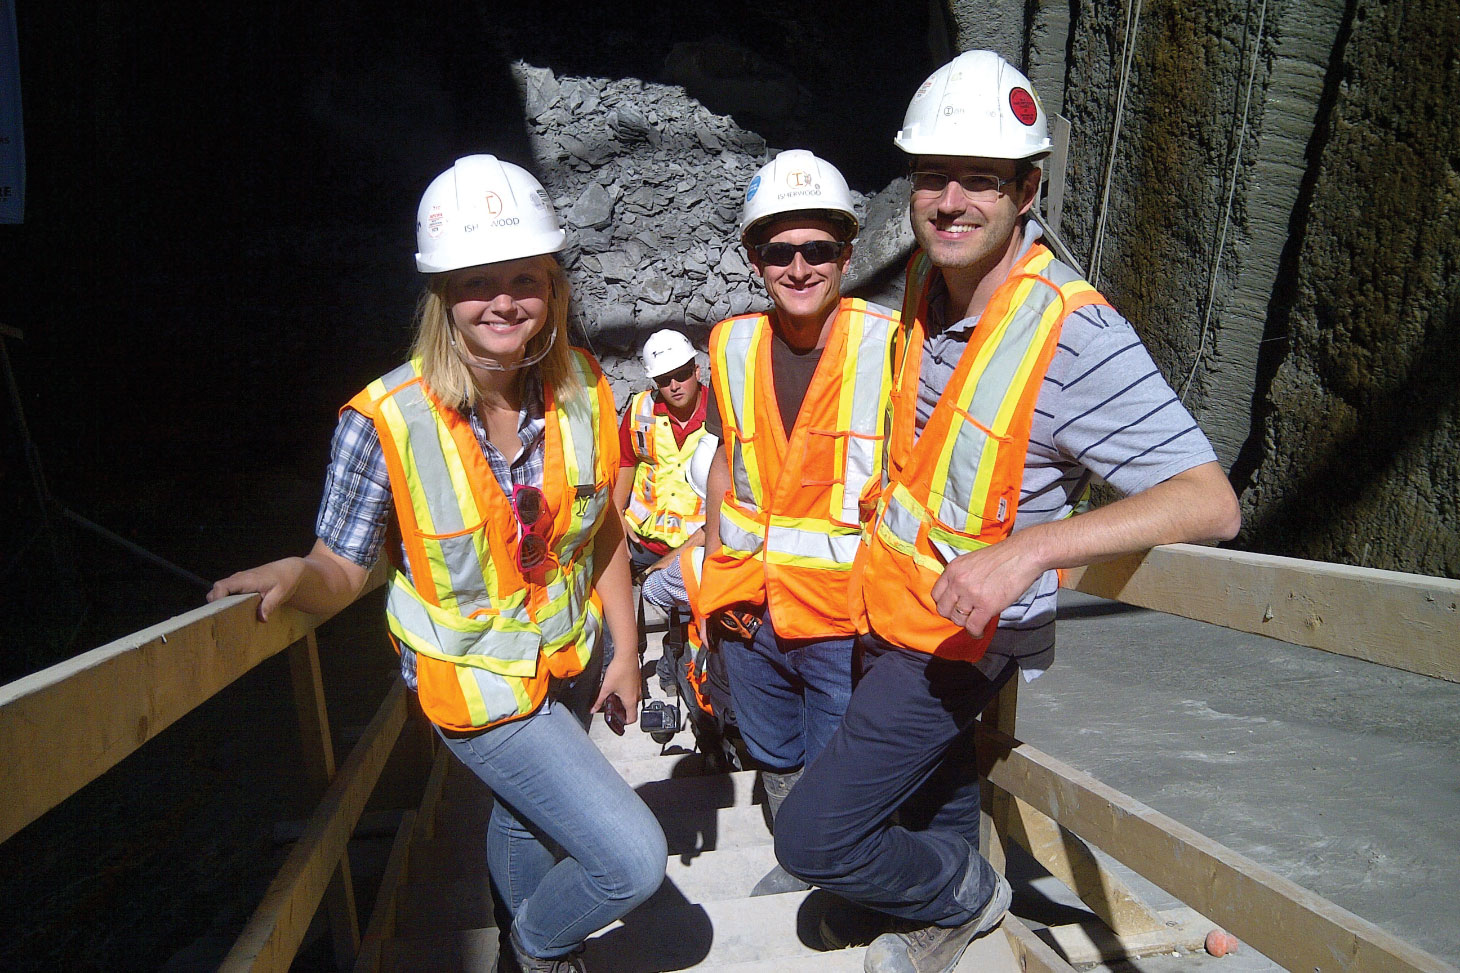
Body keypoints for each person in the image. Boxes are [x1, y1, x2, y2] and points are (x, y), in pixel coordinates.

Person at [772, 52, 1243, 973]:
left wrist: (1032, 550)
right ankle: (937, 913)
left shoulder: (1076, 332)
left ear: (1027, 191)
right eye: (933, 177)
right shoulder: (927, 285)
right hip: (897, 605)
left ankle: (963, 894)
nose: (951, 201)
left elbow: (1209, 502)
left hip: (966, 634)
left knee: (812, 838)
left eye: (981, 180)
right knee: (935, 786)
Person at [208, 155, 666, 973]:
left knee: (527, 817)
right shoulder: (385, 418)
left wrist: (627, 651)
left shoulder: (584, 388)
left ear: (552, 288)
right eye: (475, 280)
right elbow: (341, 568)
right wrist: (297, 575)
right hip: (472, 681)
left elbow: (600, 533)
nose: (503, 300)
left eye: (523, 276)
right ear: (441, 294)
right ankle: (535, 946)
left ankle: (517, 946)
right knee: (630, 859)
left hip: (563, 655)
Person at [697, 149, 898, 895]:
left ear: (847, 252)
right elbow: (728, 463)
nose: (800, 266)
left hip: (843, 617)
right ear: (756, 259)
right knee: (774, 754)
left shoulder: (889, 344)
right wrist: (717, 572)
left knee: (838, 760)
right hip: (749, 613)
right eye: (779, 251)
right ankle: (799, 864)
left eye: (818, 249)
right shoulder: (731, 344)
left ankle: (838, 880)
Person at [613, 329, 708, 689]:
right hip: (642, 534)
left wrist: (675, 557)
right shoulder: (641, 410)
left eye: (681, 374)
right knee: (610, 594)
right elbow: (627, 460)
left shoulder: (718, 414)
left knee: (690, 616)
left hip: (695, 540)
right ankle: (625, 663)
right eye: (664, 379)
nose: (675, 385)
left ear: (696, 370)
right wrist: (617, 516)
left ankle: (676, 665)